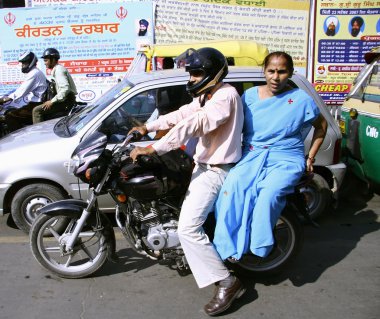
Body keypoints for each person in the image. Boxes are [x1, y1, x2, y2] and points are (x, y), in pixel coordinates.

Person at [128, 47, 246, 316]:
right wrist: (149, 127)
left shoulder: (225, 95)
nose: (192, 78)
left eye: (197, 73)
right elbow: (183, 114)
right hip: (201, 165)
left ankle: (228, 281)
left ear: (214, 73)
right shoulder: (207, 95)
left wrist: (154, 148)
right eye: (191, 73)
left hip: (216, 171)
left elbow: (194, 124)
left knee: (188, 229)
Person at [213, 51, 327, 263]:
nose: (276, 77)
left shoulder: (300, 100)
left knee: (269, 195)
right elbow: (230, 126)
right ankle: (227, 247)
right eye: (271, 71)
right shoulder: (249, 96)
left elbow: (321, 127)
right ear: (264, 71)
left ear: (290, 73)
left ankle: (260, 245)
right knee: (232, 190)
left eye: (282, 71)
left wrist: (310, 158)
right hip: (251, 156)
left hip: (286, 159)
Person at [0, 51, 47, 132]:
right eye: (22, 63)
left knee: (10, 116)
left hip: (36, 104)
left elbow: (20, 92)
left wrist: (4, 100)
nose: (22, 65)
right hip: (34, 103)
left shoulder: (34, 73)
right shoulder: (34, 72)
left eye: (24, 63)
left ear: (30, 62)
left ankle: (19, 139)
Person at [32, 48, 77, 123]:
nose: (45, 63)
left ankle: (38, 133)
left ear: (53, 59)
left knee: (36, 111)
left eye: (46, 60)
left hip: (66, 101)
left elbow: (65, 88)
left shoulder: (59, 70)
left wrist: (52, 101)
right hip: (64, 100)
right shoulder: (56, 70)